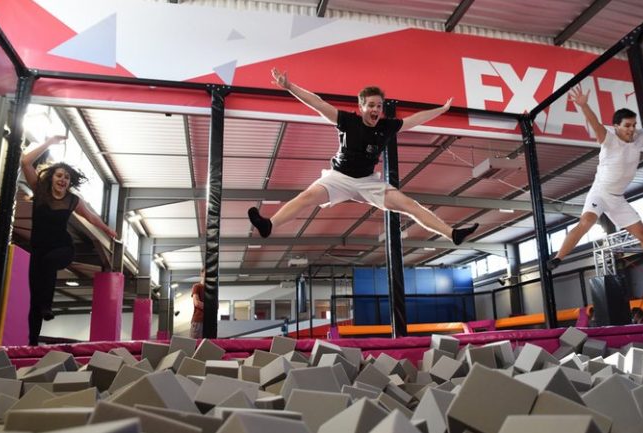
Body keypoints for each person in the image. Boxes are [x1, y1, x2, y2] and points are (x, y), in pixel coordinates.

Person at [248, 68, 479, 245]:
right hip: (339, 177)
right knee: (307, 196)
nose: (376, 110)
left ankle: (452, 234)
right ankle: (269, 224)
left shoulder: (386, 127)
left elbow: (416, 119)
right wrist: (289, 86)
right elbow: (317, 103)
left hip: (368, 182)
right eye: (371, 105)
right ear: (361, 107)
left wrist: (441, 110)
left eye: (379, 106)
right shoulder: (348, 121)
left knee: (409, 205)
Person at [547, 85, 643, 279]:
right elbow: (595, 124)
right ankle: (558, 258)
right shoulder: (609, 139)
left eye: (634, 125)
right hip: (600, 192)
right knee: (587, 222)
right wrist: (584, 106)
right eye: (627, 125)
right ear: (616, 126)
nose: (632, 129)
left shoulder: (639, 138)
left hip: (617, 198)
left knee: (642, 233)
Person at [21, 135, 118, 346]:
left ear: (69, 182)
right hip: (38, 250)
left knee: (49, 265)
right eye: (59, 175)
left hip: (63, 249)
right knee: (34, 299)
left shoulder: (72, 200)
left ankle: (47, 306)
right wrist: (48, 143)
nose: (62, 180)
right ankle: (32, 343)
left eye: (66, 177)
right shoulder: (40, 190)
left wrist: (107, 229)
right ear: (51, 177)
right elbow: (26, 162)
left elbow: (91, 217)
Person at [190, 270, 204, 338]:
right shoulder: (197, 286)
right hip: (198, 321)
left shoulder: (213, 290)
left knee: (208, 343)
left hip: (210, 322)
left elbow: (216, 306)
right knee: (195, 343)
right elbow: (197, 303)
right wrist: (211, 307)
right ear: (202, 274)